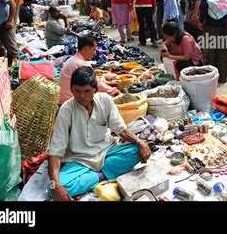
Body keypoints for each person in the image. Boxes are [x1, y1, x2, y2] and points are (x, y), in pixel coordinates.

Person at [48, 66, 151, 201]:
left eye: (87, 91)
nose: (82, 96)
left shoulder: (105, 100)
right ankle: (99, 176)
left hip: (105, 153)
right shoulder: (66, 110)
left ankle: (93, 177)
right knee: (52, 189)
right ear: (71, 90)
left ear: (95, 90)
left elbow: (121, 130)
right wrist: (55, 184)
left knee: (138, 150)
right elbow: (55, 152)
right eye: (77, 91)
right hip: (79, 160)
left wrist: (140, 142)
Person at [58, 36, 120, 105]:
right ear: (86, 49)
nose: (95, 53)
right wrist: (114, 91)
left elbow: (95, 80)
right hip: (68, 101)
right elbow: (97, 85)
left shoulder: (73, 59)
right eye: (94, 49)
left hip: (63, 98)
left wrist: (107, 83)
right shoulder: (80, 64)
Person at [199, 0, 227, 84]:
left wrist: (201, 21)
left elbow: (204, 6)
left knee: (210, 51)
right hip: (225, 23)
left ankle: (211, 79)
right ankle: (222, 78)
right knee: (223, 50)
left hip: (212, 24)